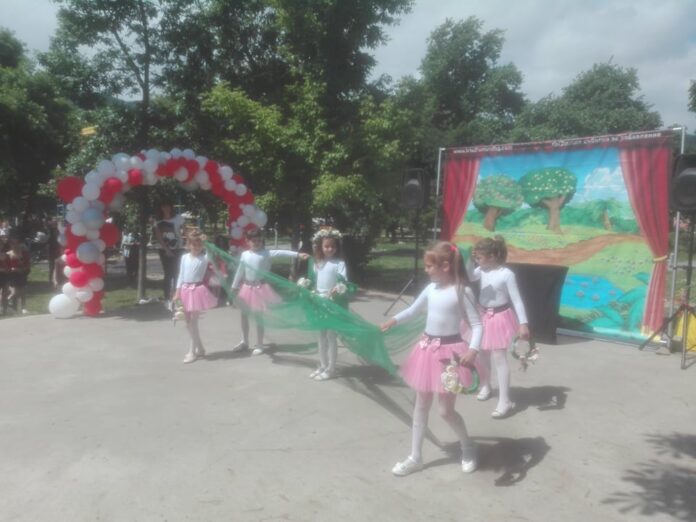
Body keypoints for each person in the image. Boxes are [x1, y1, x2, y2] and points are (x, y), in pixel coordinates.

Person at [381, 241, 485, 476]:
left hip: (450, 356)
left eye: (429, 266)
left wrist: (473, 350)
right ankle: (415, 457)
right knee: (421, 406)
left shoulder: (462, 291)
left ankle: (468, 446)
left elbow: (478, 325)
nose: (426, 270)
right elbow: (412, 310)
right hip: (426, 351)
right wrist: (393, 320)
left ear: (445, 266)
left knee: (445, 411)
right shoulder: (430, 289)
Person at [467, 236, 529, 419]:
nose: (477, 260)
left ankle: (505, 400)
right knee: (482, 354)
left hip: (500, 317)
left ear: (492, 256)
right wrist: (471, 260)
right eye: (476, 257)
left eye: (479, 257)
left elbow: (517, 300)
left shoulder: (506, 274)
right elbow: (470, 276)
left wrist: (523, 323)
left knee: (499, 357)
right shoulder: (481, 270)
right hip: (482, 315)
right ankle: (486, 385)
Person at [231, 228, 309, 355]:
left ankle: (259, 343)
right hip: (246, 288)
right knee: (244, 316)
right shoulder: (245, 255)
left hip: (260, 288)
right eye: (253, 241)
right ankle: (244, 341)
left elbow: (282, 253)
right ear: (248, 241)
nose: (256, 243)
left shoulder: (266, 253)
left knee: (258, 317)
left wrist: (298, 255)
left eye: (259, 240)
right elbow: (240, 270)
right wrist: (234, 285)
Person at [309, 228, 349, 381]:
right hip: (319, 301)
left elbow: (343, 281)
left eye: (333, 246)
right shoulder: (317, 263)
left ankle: (331, 368)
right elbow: (314, 281)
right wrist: (310, 289)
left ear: (337, 247)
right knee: (320, 336)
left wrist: (336, 289)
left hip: (332, 302)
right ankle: (322, 364)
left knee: (331, 336)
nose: (330, 249)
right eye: (326, 246)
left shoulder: (339, 263)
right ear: (321, 246)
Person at [173, 229, 218, 364]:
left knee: (193, 322)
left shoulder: (204, 258)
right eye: (194, 244)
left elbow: (211, 253)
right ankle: (200, 348)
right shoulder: (184, 257)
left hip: (197, 291)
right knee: (187, 323)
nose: (197, 247)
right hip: (185, 291)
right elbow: (181, 275)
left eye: (199, 245)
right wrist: (177, 291)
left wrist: (206, 242)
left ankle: (192, 352)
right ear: (189, 245)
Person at [153, 202, 185, 308]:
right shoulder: (158, 221)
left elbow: (185, 231)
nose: (166, 208)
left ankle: (177, 296)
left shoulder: (178, 218)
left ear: (171, 207)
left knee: (177, 273)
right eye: (163, 206)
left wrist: (189, 241)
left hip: (178, 248)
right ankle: (167, 298)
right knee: (168, 274)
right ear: (161, 208)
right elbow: (158, 237)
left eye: (168, 206)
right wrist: (167, 250)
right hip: (164, 250)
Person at [6, 230, 31, 314]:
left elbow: (28, 265)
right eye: (12, 243)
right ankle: (6, 303)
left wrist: (23, 269)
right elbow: (6, 266)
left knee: (23, 292)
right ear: (10, 244)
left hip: (22, 274)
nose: (14, 245)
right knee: (14, 293)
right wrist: (12, 269)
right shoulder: (8, 254)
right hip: (12, 276)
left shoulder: (24, 253)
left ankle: (23, 308)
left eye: (16, 243)